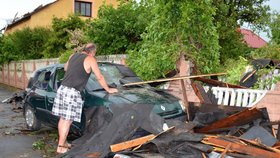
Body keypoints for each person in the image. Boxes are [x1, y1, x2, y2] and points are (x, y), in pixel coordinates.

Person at [52, 43, 118, 154]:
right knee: (67, 121)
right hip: (72, 92)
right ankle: (60, 147)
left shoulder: (73, 56)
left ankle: (63, 143)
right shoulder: (90, 59)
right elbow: (99, 76)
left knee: (63, 119)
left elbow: (65, 68)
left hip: (63, 89)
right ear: (93, 52)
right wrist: (108, 89)